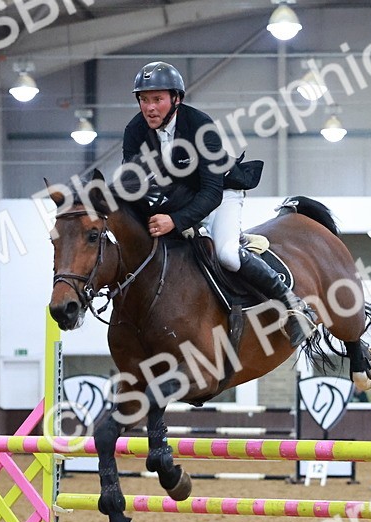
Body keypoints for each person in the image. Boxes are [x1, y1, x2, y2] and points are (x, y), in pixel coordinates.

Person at [121, 61, 313, 345]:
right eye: (144, 100)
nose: (150, 108)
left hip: (221, 195)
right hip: (177, 200)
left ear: (176, 99)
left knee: (226, 254)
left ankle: (294, 305)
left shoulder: (200, 126)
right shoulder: (135, 131)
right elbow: (131, 186)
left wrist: (175, 221)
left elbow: (210, 194)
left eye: (157, 99)